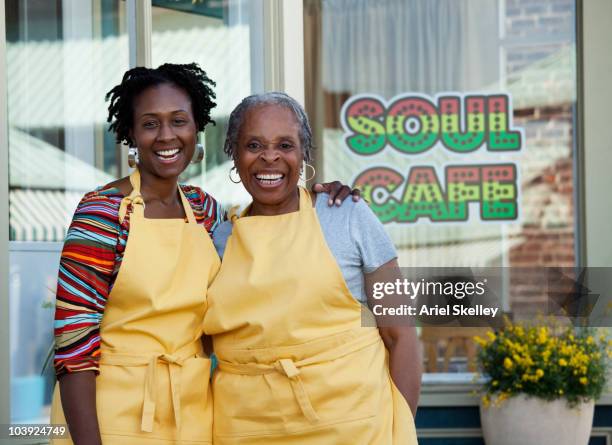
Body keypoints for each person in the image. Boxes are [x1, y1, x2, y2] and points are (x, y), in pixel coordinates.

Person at [51, 64, 356, 445]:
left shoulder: (205, 210)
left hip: (195, 418)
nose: (167, 136)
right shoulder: (103, 213)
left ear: (196, 128)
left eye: (179, 121)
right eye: (150, 124)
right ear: (130, 133)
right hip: (112, 418)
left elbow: (263, 255)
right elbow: (74, 343)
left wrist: (320, 194)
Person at [204, 92, 422, 444]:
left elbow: (401, 335)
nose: (270, 157)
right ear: (234, 154)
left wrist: (401, 427)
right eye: (254, 144)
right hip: (245, 428)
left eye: (285, 144)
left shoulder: (348, 215)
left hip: (356, 427)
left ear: (304, 152)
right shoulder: (218, 239)